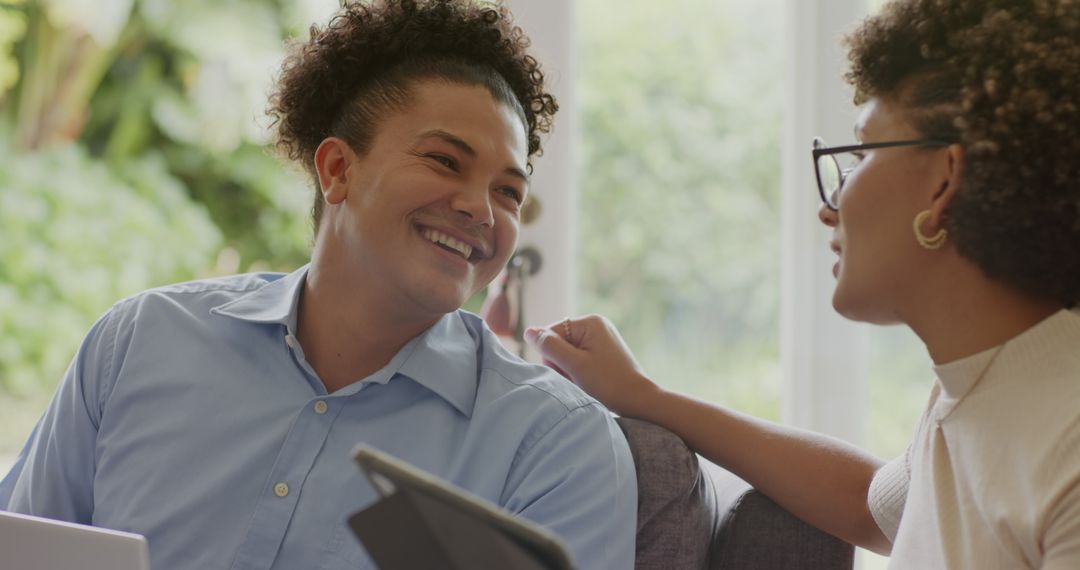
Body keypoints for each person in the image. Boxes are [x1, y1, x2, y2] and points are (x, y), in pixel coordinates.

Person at [0, 2, 637, 569]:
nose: (481, 209)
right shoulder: (138, 343)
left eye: (508, 192)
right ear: (336, 169)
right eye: (445, 161)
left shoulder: (557, 444)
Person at [526, 0, 1080, 567]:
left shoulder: (1064, 448)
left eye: (861, 154)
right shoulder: (974, 389)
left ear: (943, 183)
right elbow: (873, 507)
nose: (830, 206)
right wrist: (647, 397)